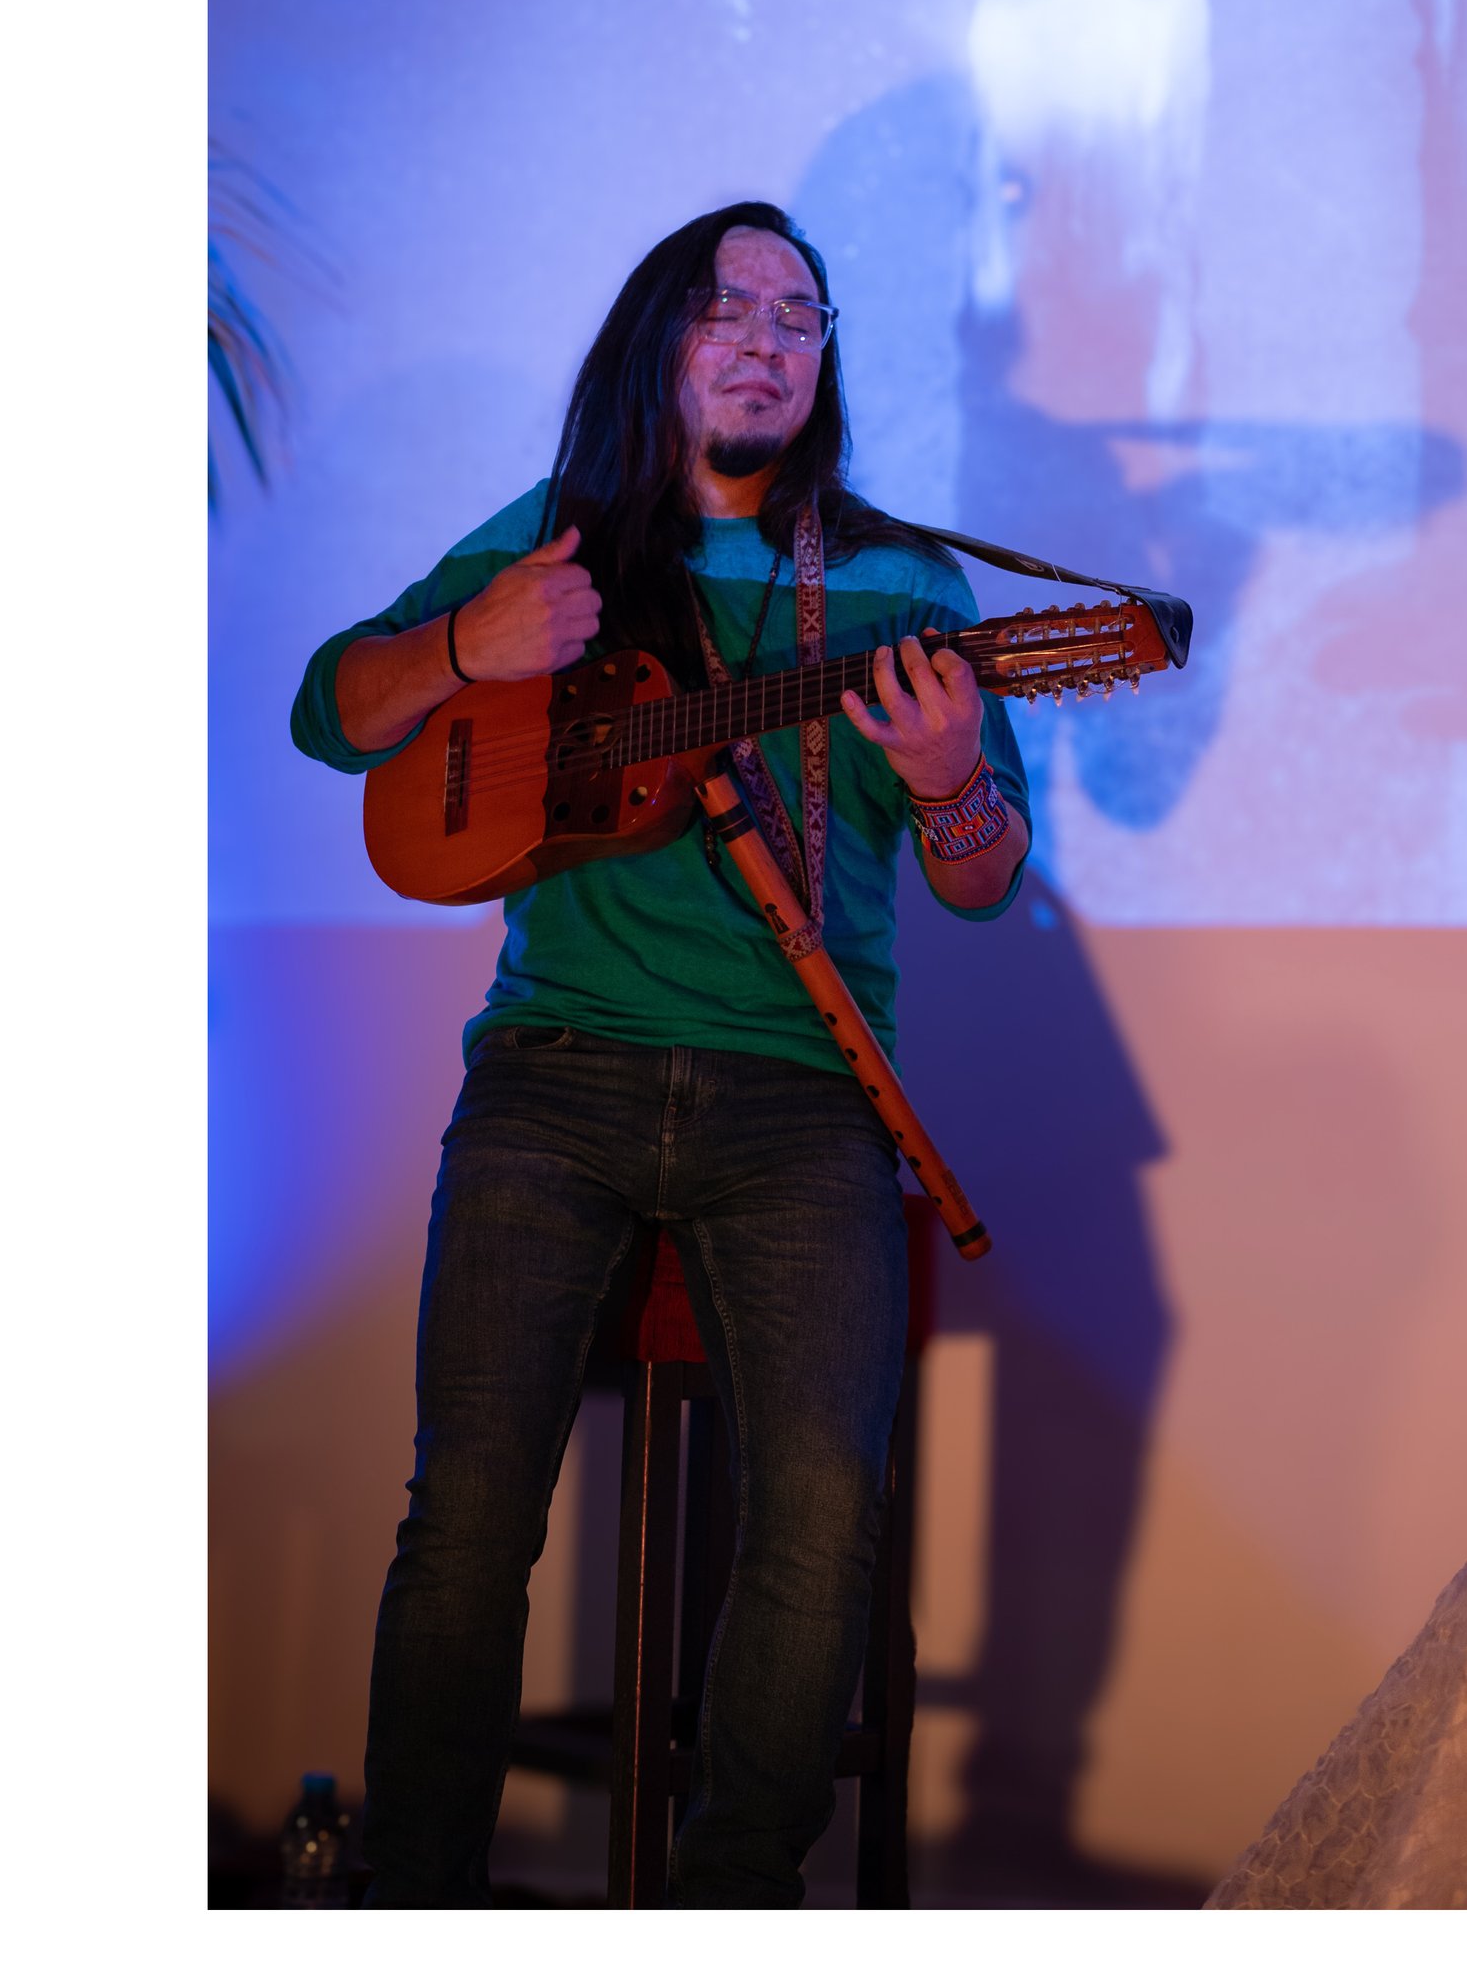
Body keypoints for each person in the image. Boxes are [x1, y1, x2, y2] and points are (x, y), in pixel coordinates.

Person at [290, 200, 1032, 1905]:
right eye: (726, 306)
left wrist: (950, 788)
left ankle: (729, 1908)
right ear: (661, 340)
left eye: (799, 314)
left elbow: (984, 883)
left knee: (826, 1508)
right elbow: (334, 713)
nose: (766, 336)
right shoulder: (560, 539)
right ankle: (410, 1903)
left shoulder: (908, 584)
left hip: (801, 1097)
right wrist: (468, 645)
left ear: (825, 358)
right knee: (470, 1510)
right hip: (554, 1071)